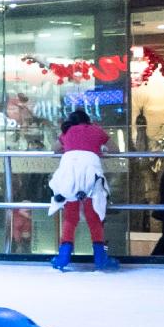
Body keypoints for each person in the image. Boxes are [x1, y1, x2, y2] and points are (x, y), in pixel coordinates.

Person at [48, 108, 116, 271]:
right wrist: (99, 150)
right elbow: (115, 149)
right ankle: (100, 258)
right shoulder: (97, 130)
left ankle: (63, 257)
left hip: (69, 176)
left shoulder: (68, 131)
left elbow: (54, 148)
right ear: (88, 120)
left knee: (70, 217)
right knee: (94, 217)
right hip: (91, 177)